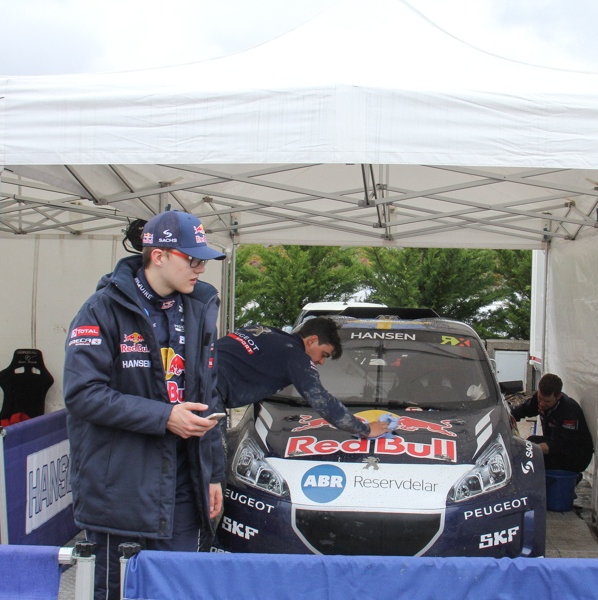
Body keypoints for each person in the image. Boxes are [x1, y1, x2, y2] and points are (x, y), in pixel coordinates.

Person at [64, 211, 226, 600]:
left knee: (174, 591)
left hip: (183, 487)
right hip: (119, 490)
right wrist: (165, 416)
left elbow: (209, 395)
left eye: (204, 260)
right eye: (193, 259)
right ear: (159, 256)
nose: (201, 269)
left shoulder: (199, 308)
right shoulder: (101, 309)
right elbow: (82, 393)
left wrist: (213, 473)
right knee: (116, 593)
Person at [214, 318, 389, 438]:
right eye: (323, 354)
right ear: (312, 340)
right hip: (210, 393)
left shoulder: (262, 331)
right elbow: (322, 400)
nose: (321, 362)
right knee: (213, 468)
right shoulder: (296, 357)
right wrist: (364, 429)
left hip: (198, 376)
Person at [511, 373, 594, 474]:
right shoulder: (540, 399)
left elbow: (556, 445)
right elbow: (519, 411)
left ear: (558, 396)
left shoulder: (568, 411)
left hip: (575, 454)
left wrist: (525, 451)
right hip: (558, 446)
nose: (541, 404)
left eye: (547, 401)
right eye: (540, 399)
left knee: (532, 458)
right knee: (531, 442)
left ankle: (569, 477)